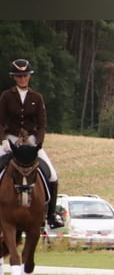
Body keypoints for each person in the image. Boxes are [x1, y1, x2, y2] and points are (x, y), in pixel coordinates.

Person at [0, 58, 64, 228]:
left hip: (31, 141)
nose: (23, 79)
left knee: (52, 174)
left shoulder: (37, 97)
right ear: (14, 77)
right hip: (11, 140)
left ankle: (51, 215)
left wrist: (38, 143)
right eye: (19, 76)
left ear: (29, 76)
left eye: (25, 76)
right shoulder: (7, 96)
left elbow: (42, 124)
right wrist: (4, 140)